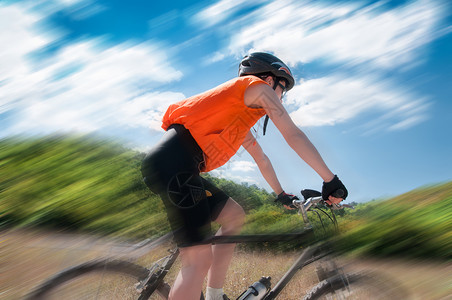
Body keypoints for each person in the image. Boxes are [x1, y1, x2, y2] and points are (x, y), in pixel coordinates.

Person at [141, 52, 348, 300]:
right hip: (175, 165)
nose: (282, 97)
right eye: (283, 89)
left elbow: (261, 159)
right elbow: (292, 134)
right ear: (271, 79)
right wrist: (330, 180)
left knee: (234, 215)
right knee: (198, 259)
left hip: (179, 167)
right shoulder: (258, 88)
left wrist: (281, 194)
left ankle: (214, 295)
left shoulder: (239, 118)